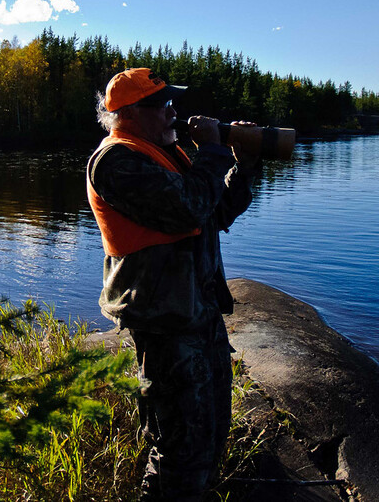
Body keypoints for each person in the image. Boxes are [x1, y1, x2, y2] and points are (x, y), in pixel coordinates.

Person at [85, 67, 259, 501]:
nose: (172, 113)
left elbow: (217, 212)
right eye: (162, 105)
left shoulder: (172, 154)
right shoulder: (116, 160)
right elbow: (186, 209)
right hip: (164, 324)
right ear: (127, 113)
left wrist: (244, 159)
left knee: (211, 436)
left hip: (199, 315)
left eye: (170, 104)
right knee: (179, 449)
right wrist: (214, 152)